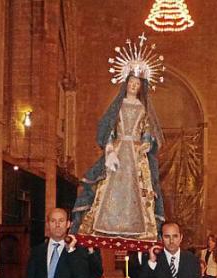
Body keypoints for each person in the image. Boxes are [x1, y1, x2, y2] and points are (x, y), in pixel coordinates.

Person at [70, 71, 165, 244]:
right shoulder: (118, 107)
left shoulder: (143, 108)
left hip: (136, 154)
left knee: (139, 189)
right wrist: (109, 149)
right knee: (108, 186)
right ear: (126, 83)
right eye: (131, 82)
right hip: (118, 150)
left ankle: (138, 229)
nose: (133, 86)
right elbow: (109, 129)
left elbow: (147, 130)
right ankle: (104, 225)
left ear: (141, 87)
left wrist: (146, 143)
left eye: (137, 84)